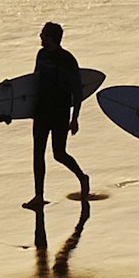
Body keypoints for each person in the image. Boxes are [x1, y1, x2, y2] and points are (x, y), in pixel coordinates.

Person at [25, 20, 90, 210]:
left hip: (60, 111)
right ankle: (39, 196)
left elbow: (77, 91)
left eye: (43, 34)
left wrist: (75, 117)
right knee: (38, 153)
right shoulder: (41, 55)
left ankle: (82, 177)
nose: (40, 37)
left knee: (59, 153)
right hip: (41, 110)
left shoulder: (67, 60)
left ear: (51, 38)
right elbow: (33, 84)